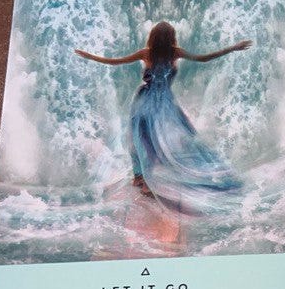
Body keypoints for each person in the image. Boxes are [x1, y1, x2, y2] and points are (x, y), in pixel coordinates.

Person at [75, 21, 249, 211]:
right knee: (172, 136)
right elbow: (204, 58)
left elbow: (115, 61)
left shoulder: (148, 53)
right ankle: (147, 178)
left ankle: (141, 177)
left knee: (139, 138)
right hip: (163, 102)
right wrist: (233, 48)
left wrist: (89, 56)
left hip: (146, 100)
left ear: (153, 37)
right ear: (171, 37)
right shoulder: (174, 52)